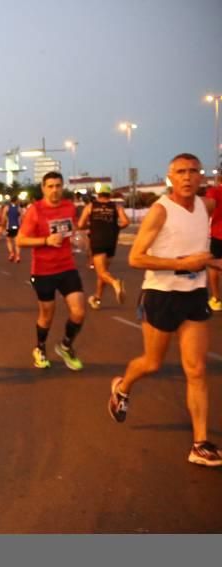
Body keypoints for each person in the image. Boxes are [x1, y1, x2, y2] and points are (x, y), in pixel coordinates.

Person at [108, 153, 221, 466]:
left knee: (197, 370)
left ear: (202, 177)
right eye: (180, 172)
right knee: (152, 363)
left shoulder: (206, 207)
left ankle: (200, 444)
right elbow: (136, 258)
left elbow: (200, 248)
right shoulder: (160, 211)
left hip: (195, 294)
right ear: (170, 177)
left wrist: (210, 262)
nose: (187, 177)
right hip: (161, 295)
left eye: (193, 171)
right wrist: (181, 264)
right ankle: (122, 386)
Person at [17, 172, 85, 371]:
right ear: (43, 188)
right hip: (43, 271)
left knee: (79, 312)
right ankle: (40, 348)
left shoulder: (69, 207)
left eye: (58, 185)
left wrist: (77, 238)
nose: (55, 189)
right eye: (50, 186)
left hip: (67, 267)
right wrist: (46, 241)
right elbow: (20, 240)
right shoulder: (35, 210)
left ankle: (65, 346)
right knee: (47, 315)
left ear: (62, 186)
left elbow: (72, 231)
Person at [77, 185, 130, 309]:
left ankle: (115, 282)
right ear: (109, 195)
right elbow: (126, 222)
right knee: (103, 272)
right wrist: (116, 228)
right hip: (111, 241)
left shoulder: (90, 206)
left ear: (98, 194)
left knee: (101, 272)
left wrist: (90, 227)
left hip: (97, 240)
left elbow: (80, 224)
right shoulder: (116, 207)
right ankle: (97, 298)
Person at [206, 182, 222, 311]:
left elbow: (207, 210)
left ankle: (216, 299)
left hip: (218, 234)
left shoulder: (215, 191)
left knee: (214, 267)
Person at [0, 195, 22, 262]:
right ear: (16, 201)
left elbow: (3, 218)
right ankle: (18, 256)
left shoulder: (7, 207)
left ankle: (11, 253)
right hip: (17, 226)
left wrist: (2, 226)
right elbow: (21, 218)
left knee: (9, 240)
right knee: (17, 242)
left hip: (9, 226)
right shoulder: (19, 208)